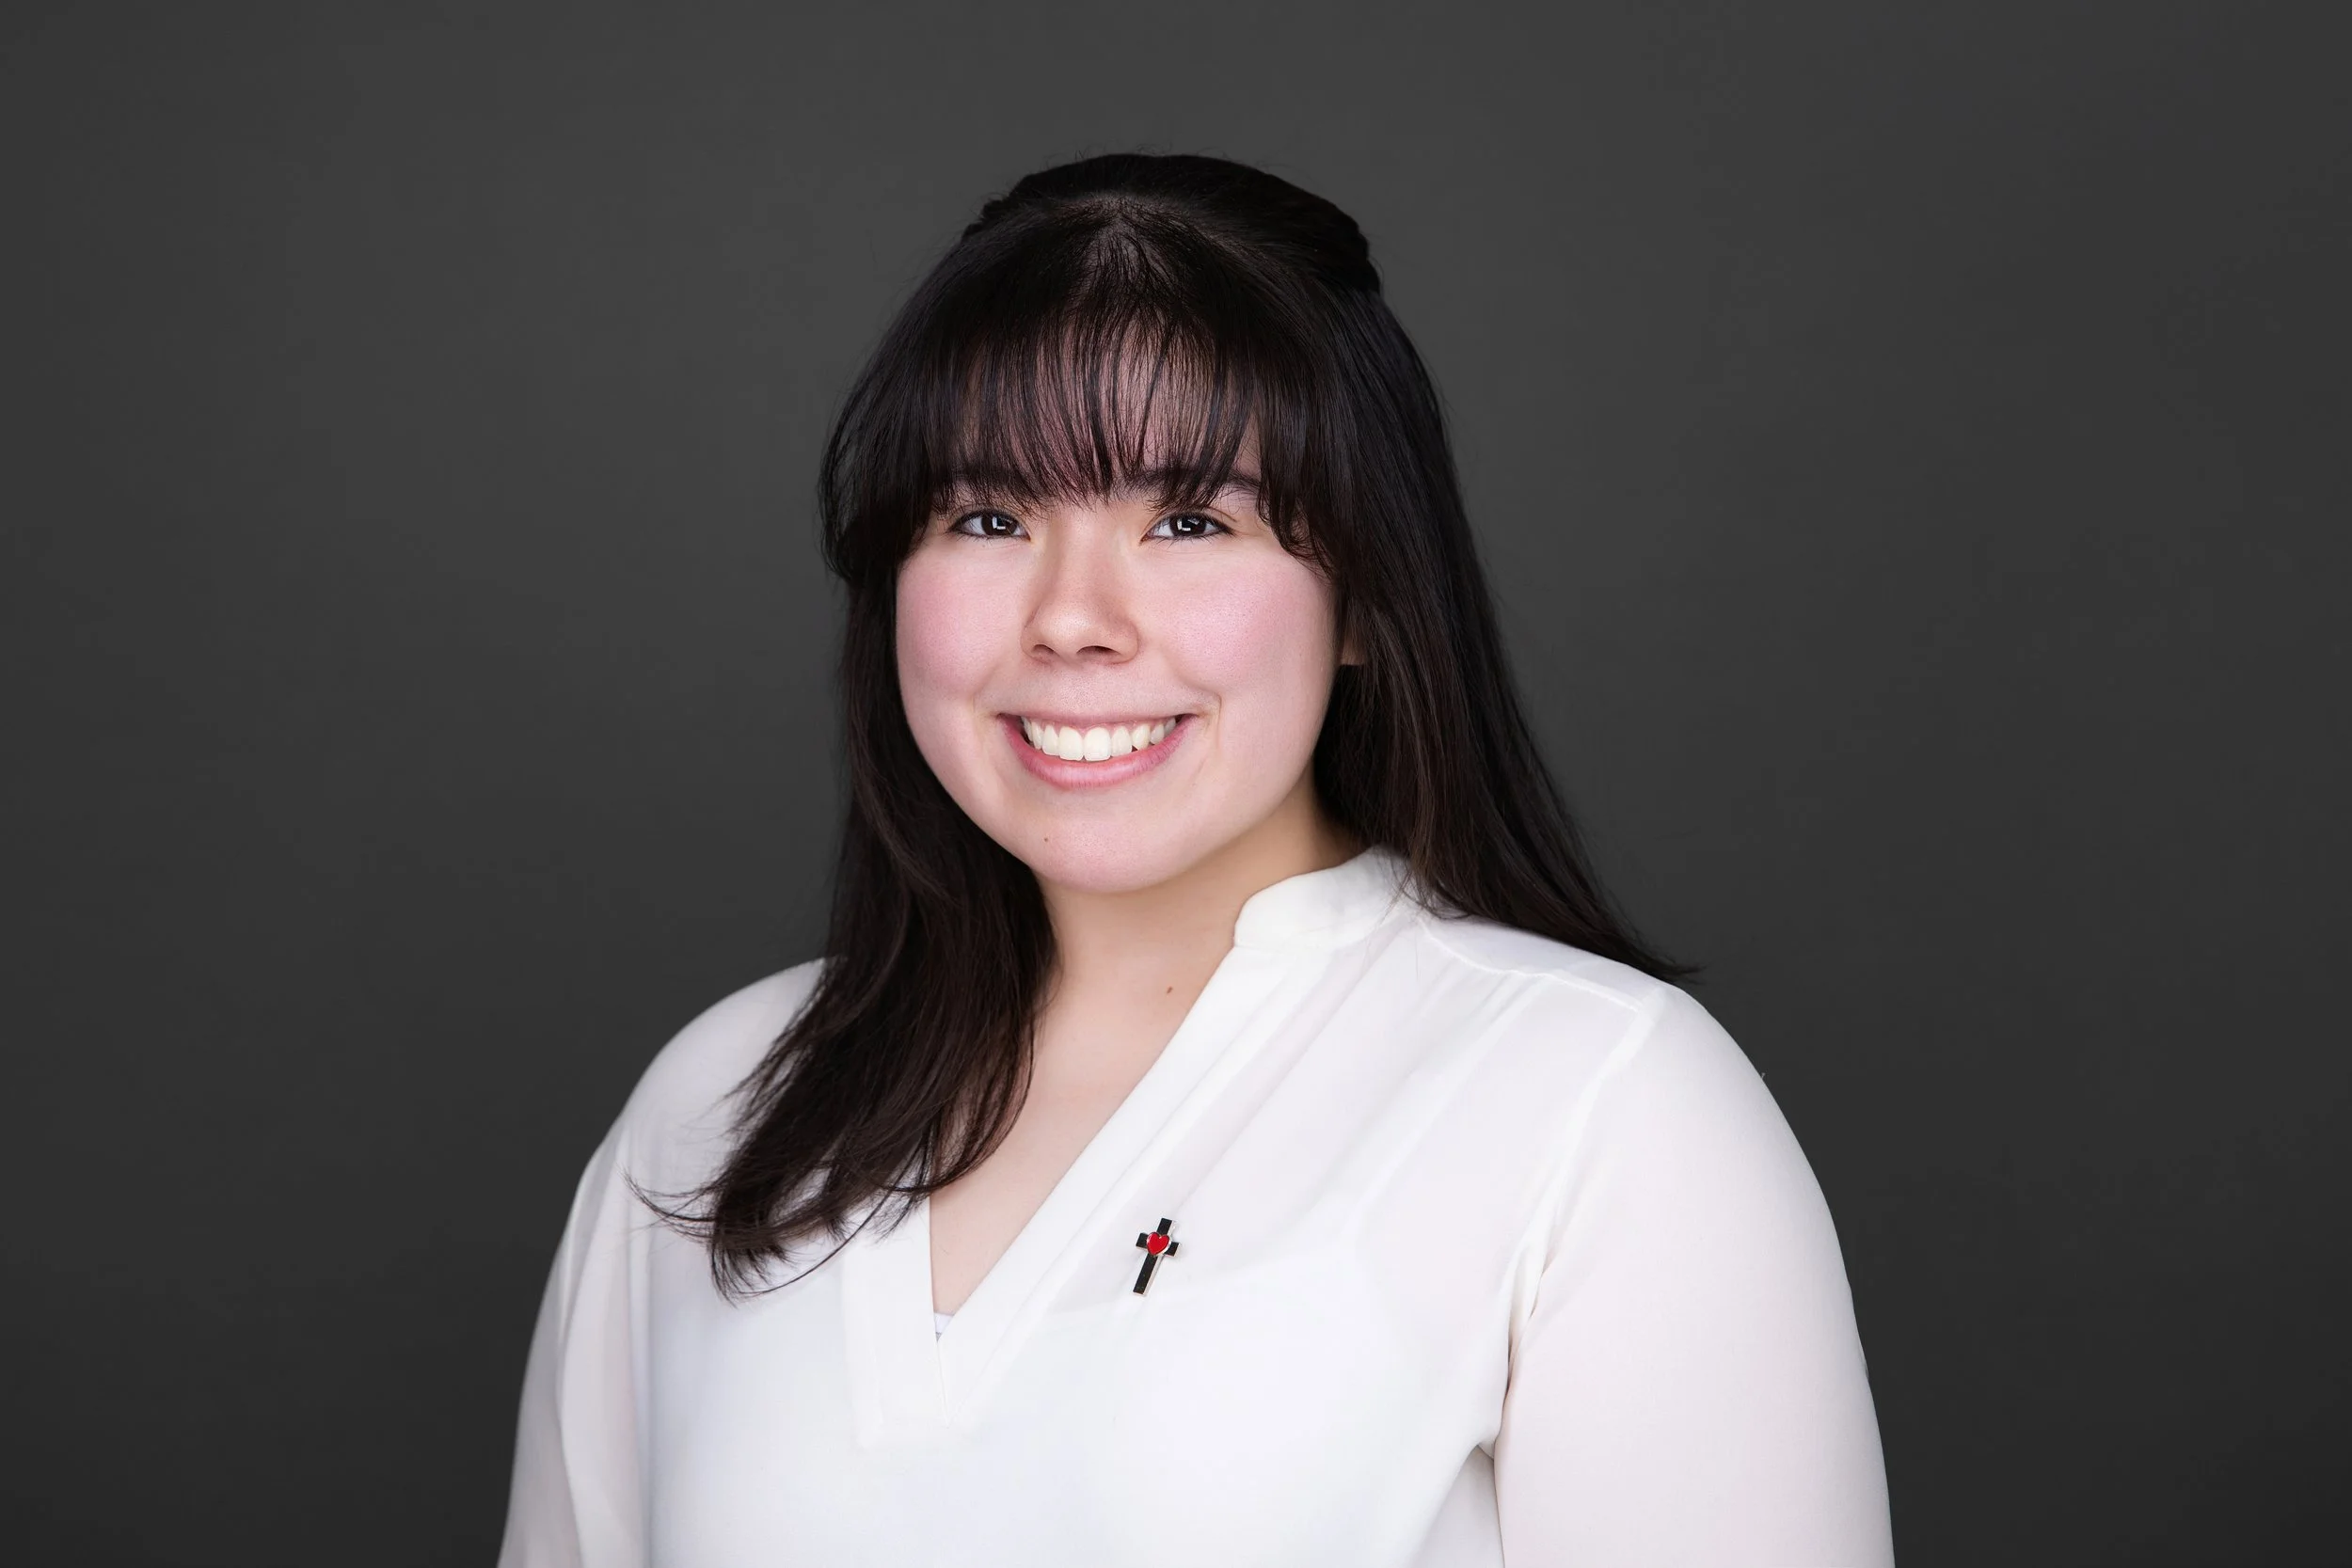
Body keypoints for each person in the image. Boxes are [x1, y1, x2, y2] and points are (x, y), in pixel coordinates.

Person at [497, 152, 1894, 1567]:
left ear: (1364, 592)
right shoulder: (722, 1106)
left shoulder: (1599, 1102)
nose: (1073, 619)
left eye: (1188, 520)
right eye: (989, 518)